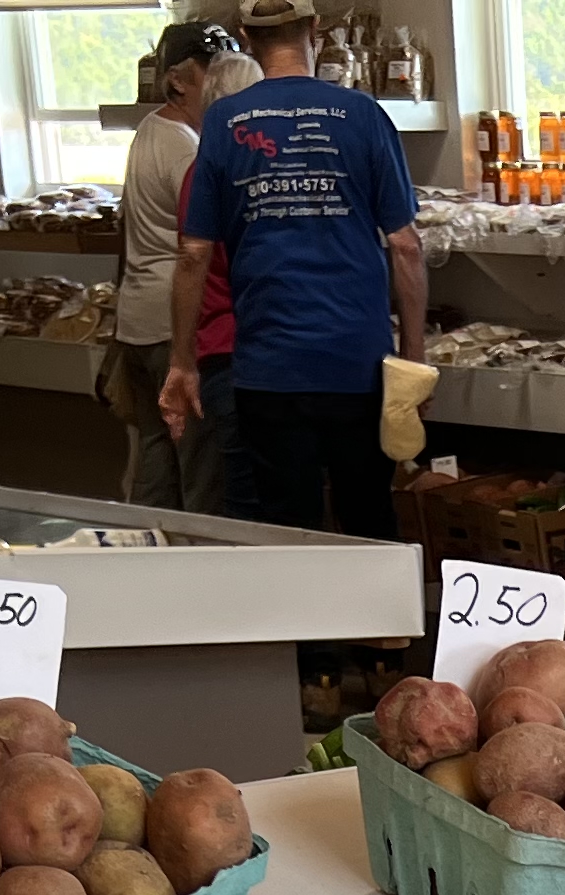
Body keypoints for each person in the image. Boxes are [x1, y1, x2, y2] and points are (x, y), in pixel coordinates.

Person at [155, 0, 426, 538]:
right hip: (358, 362)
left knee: (288, 529)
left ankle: (305, 624)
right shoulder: (362, 114)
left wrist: (182, 361)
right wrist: (415, 361)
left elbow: (193, 254)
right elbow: (407, 247)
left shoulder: (225, 122)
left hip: (268, 369)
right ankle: (380, 626)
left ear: (244, 37)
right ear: (315, 31)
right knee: (369, 521)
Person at [115, 23, 228, 510]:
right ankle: (203, 566)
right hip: (173, 324)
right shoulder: (187, 147)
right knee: (201, 466)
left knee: (156, 460)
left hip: (137, 318)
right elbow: (200, 245)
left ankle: (147, 558)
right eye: (214, 75)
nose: (223, 89)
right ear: (180, 81)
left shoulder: (149, 130)